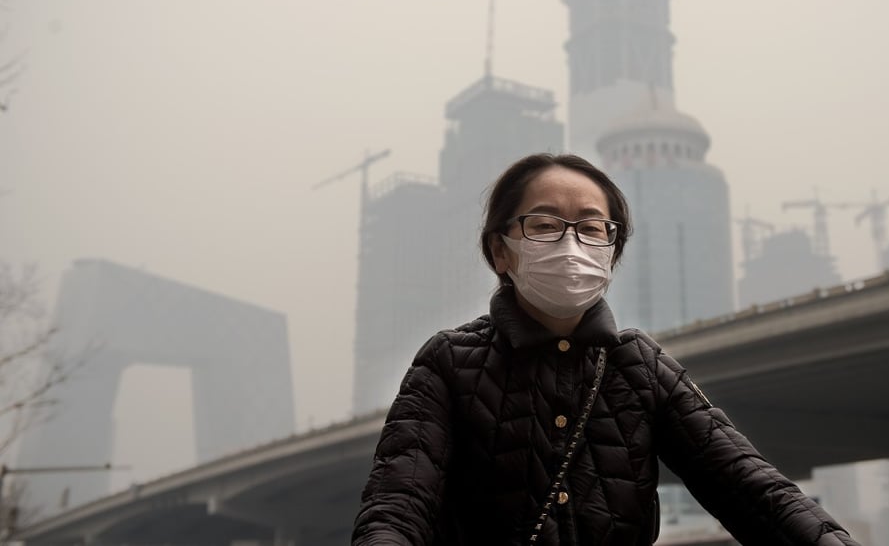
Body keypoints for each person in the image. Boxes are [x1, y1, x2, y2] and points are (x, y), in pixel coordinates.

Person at [352, 153, 860, 546]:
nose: (571, 244)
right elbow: (398, 505)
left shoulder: (641, 365)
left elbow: (750, 488)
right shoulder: (448, 362)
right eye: (545, 224)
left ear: (611, 252)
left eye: (592, 227)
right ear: (500, 249)